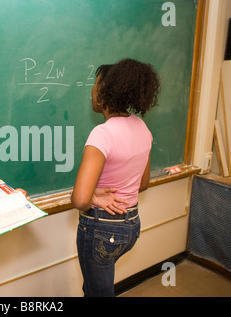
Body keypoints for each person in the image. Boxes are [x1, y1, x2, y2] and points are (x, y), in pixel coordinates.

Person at [71, 58, 160, 297]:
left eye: (95, 85)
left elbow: (80, 199)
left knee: (98, 292)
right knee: (94, 287)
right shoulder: (142, 128)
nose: (91, 90)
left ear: (103, 94)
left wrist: (94, 198)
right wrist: (97, 193)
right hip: (130, 227)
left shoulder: (102, 134)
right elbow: (142, 183)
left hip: (102, 229)